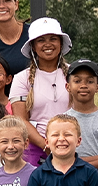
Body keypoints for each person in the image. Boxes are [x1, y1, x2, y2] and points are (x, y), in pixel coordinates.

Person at [10, 18, 72, 164]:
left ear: (61, 43)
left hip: (73, 147)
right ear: (33, 46)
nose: (47, 44)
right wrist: (46, 146)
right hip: (37, 153)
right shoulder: (21, 78)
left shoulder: (74, 74)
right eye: (41, 40)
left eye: (53, 39)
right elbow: (20, 119)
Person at [66, 60, 98, 172]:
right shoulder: (62, 121)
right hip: (69, 181)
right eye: (77, 81)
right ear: (68, 86)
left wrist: (76, 165)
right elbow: (59, 158)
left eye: (90, 81)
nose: (83, 85)